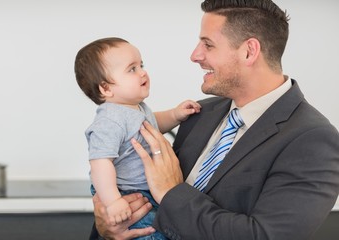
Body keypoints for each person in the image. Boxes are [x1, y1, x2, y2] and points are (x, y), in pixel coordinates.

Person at [90, 1, 339, 239]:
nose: (195, 56)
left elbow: (263, 236)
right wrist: (107, 227)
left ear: (249, 51)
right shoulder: (200, 112)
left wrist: (170, 193)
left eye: (207, 45)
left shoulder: (314, 141)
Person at [74, 37, 201, 239]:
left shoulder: (135, 108)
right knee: (151, 233)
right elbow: (100, 163)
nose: (142, 72)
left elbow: (152, 125)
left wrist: (175, 115)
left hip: (147, 190)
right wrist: (114, 201)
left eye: (141, 65)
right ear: (105, 88)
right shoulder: (110, 120)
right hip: (126, 192)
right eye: (131, 69)